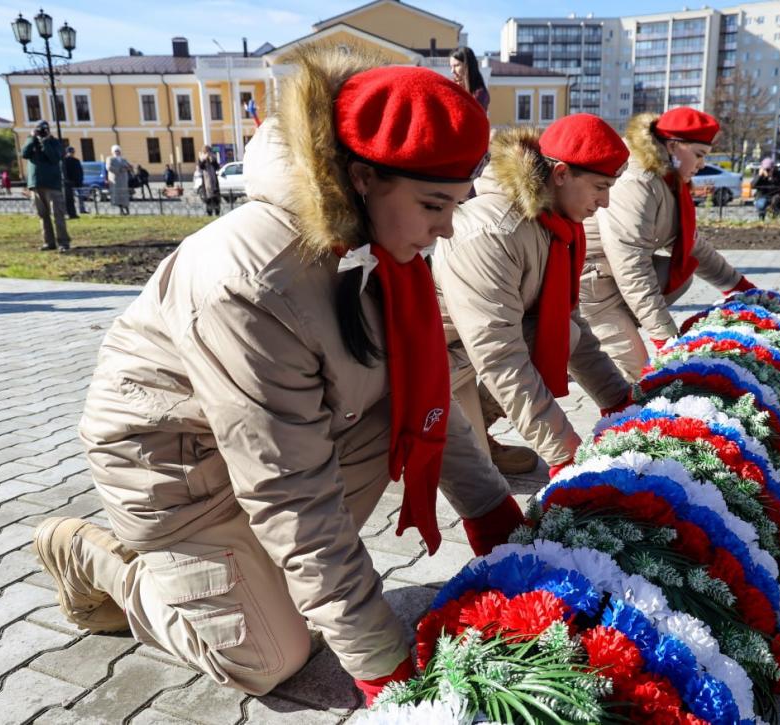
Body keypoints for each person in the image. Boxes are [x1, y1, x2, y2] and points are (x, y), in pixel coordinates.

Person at [31, 50, 524, 706]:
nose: (447, 229)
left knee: (307, 581)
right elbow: (290, 492)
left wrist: (496, 519)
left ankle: (242, 580)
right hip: (175, 470)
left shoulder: (374, 244)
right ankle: (106, 562)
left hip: (273, 443)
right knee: (270, 657)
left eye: (457, 204)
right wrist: (383, 663)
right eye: (435, 204)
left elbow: (420, 398)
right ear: (362, 177)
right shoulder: (254, 282)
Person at [434, 113, 632, 479]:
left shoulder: (558, 225)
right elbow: (499, 355)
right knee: (474, 476)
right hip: (430, 359)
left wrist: (620, 401)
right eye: (600, 187)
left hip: (470, 350)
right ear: (561, 174)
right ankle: (424, 443)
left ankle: (478, 431)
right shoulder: (493, 232)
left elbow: (565, 320)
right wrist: (567, 454)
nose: (605, 202)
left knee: (563, 333)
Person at [579, 108, 756, 382]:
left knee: (681, 273)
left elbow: (690, 244)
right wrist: (666, 338)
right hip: (591, 286)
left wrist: (740, 288)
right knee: (641, 379)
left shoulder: (667, 178)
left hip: (613, 275)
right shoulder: (638, 180)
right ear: (673, 146)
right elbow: (631, 264)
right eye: (699, 155)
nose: (701, 165)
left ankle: (608, 334)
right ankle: (589, 339)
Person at [20, 120, 70, 251]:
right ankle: (49, 242)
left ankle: (63, 242)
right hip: (36, 183)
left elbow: (54, 158)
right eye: (39, 129)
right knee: (42, 215)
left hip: (52, 184)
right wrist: (32, 138)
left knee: (58, 214)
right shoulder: (31, 141)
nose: (41, 132)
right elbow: (24, 154)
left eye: (44, 129)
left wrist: (46, 141)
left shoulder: (54, 142)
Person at [449, 46, 490, 112]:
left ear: (468, 66)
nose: (452, 71)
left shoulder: (480, 94)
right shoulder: (451, 87)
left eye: (456, 65)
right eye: (451, 66)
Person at [752, 157, 780, 221]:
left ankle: (774, 218)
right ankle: (761, 219)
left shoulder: (778, 174)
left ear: (773, 168)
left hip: (774, 196)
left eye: (769, 169)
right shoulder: (760, 174)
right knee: (761, 204)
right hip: (762, 195)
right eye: (766, 169)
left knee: (778, 202)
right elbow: (753, 185)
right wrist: (759, 176)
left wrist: (770, 177)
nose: (767, 170)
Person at [106, 145, 133, 215]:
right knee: (117, 195)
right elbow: (108, 167)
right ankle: (121, 210)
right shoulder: (110, 158)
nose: (117, 152)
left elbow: (129, 166)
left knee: (124, 195)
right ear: (113, 152)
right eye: (116, 151)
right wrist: (119, 170)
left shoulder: (123, 159)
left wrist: (129, 167)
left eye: (118, 151)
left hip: (124, 180)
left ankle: (126, 208)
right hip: (115, 180)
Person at [196, 146, 221, 216]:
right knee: (208, 198)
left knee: (216, 198)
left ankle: (217, 212)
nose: (208, 153)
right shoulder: (201, 158)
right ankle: (209, 212)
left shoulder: (213, 157)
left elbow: (217, 167)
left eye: (209, 151)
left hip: (214, 181)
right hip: (206, 181)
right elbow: (201, 167)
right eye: (206, 151)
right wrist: (204, 160)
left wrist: (212, 160)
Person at [62, 146, 84, 218]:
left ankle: (82, 209)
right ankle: (69, 212)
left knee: (80, 197)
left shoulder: (76, 161)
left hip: (77, 181)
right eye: (71, 152)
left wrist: (80, 179)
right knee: (69, 198)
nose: (72, 153)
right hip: (69, 182)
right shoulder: (65, 161)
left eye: (73, 152)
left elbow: (80, 171)